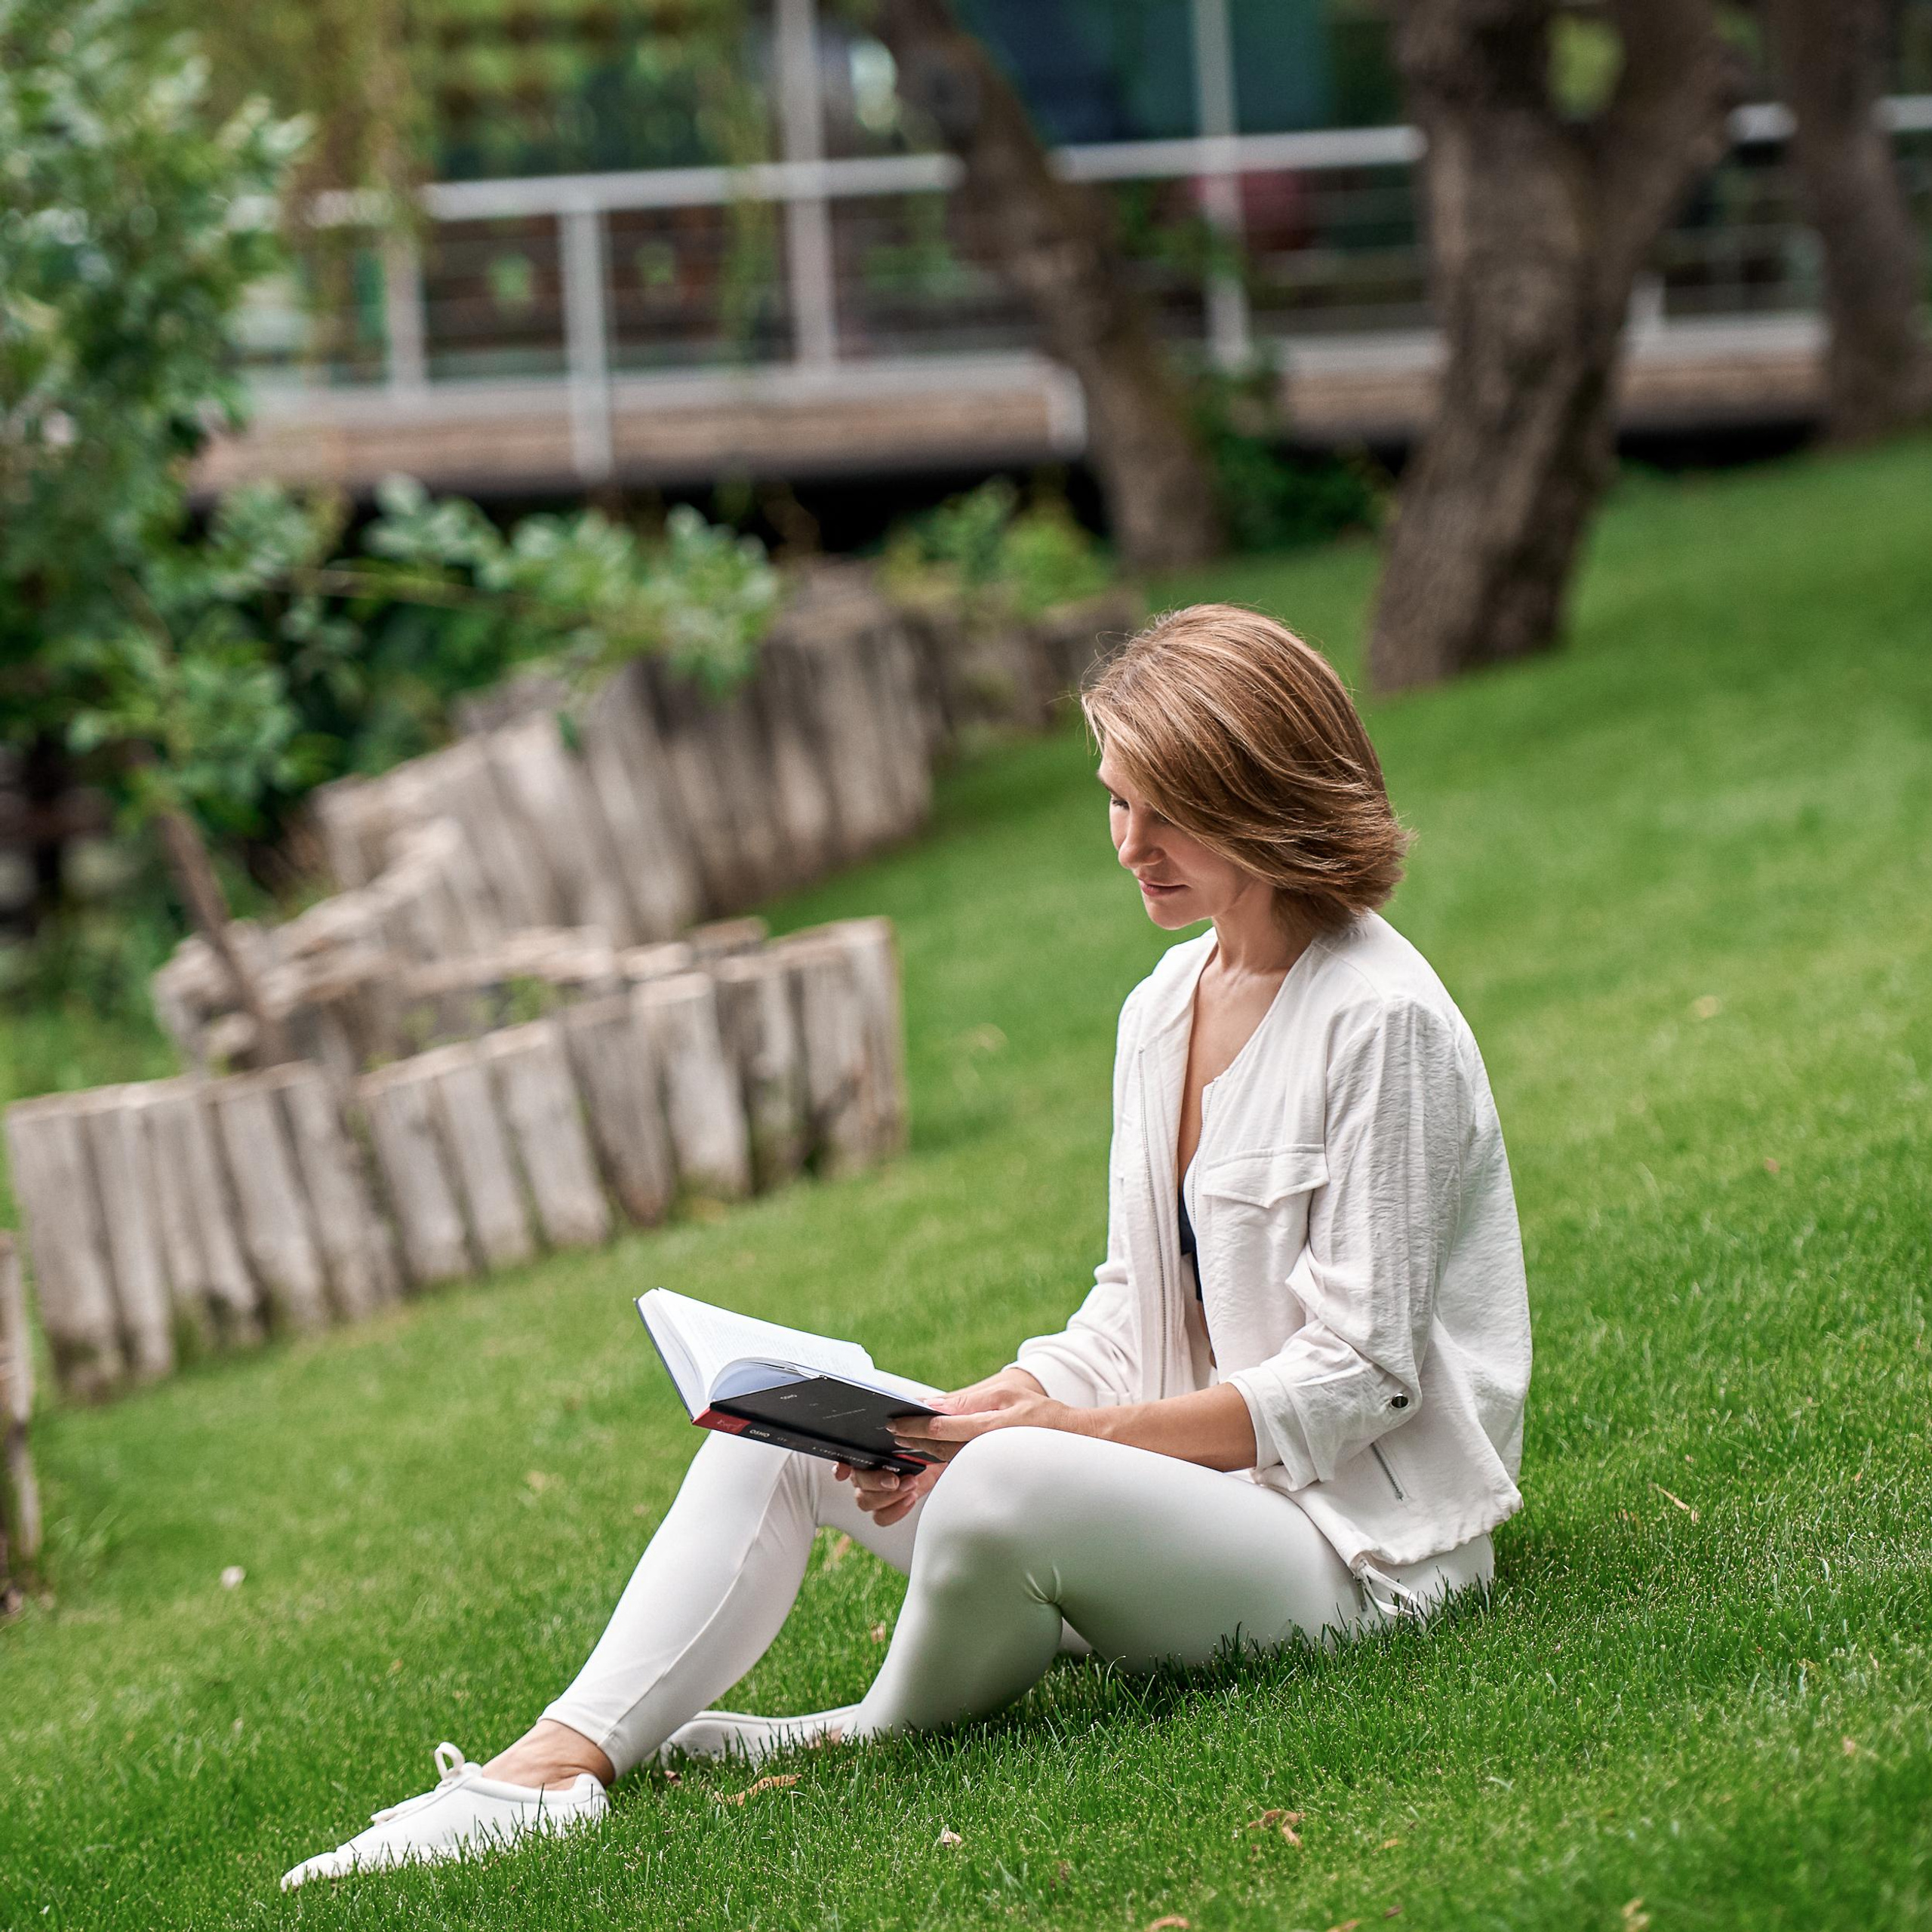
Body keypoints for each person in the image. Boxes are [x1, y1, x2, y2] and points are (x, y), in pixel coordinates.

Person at [281, 604, 1532, 1889]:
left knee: (999, 1486)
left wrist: (1037, 1447)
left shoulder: (1383, 1023)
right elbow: (1132, 1305)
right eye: (1115, 800)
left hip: (1352, 1558)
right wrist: (992, 1403)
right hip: (1183, 1509)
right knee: (782, 1430)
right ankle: (543, 1773)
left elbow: (1358, 1374)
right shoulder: (1165, 1005)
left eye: (1169, 812)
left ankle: (867, 1730)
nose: (1129, 846)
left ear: (1262, 800)